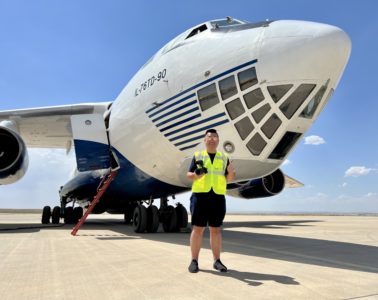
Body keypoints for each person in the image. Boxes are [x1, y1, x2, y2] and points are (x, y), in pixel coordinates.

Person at [186, 129, 235, 273]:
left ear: (218, 140)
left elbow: (230, 178)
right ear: (204, 140)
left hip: (218, 197)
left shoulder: (224, 157)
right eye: (209, 137)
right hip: (200, 196)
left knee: (216, 230)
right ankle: (194, 261)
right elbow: (188, 175)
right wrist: (196, 175)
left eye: (215, 137)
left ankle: (217, 261)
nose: (212, 139)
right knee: (197, 229)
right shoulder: (198, 156)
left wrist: (231, 171)